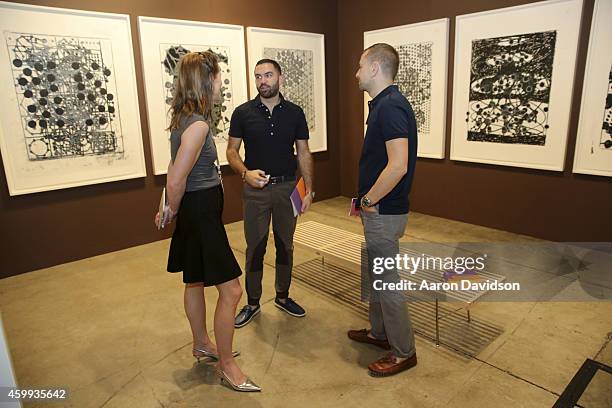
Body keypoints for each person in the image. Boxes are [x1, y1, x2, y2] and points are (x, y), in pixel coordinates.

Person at [155, 51, 260, 392]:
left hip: (194, 210)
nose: (221, 82)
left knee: (195, 279)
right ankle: (228, 366)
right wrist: (170, 205)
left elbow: (173, 169)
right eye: (217, 77)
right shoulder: (198, 124)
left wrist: (168, 206)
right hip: (199, 212)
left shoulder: (185, 119)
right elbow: (177, 178)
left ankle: (202, 343)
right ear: (204, 81)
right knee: (232, 290)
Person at [347, 43, 419, 377]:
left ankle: (404, 351)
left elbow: (398, 166)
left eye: (360, 66)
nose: (356, 72)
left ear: (375, 68)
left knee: (387, 282)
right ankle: (378, 333)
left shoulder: (390, 107)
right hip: (380, 210)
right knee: (375, 273)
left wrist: (368, 200)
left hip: (383, 212)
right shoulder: (383, 105)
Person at [226, 58, 314, 328]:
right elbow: (231, 151)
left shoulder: (295, 113)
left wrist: (309, 188)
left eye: (268, 75)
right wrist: (244, 173)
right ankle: (252, 302)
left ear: (280, 78)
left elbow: (303, 152)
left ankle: (283, 296)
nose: (263, 81)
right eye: (258, 76)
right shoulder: (242, 113)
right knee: (256, 246)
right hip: (256, 191)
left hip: (288, 188)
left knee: (286, 245)